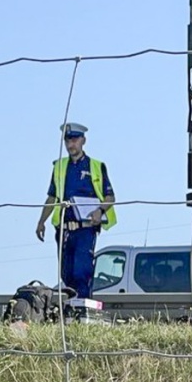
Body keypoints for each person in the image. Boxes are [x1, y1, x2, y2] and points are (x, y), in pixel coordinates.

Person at [35, 123, 117, 305]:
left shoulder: (96, 166)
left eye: (74, 140)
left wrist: (100, 210)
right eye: (67, 140)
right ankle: (70, 309)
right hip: (64, 230)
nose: (71, 144)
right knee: (66, 274)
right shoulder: (59, 167)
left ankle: (83, 309)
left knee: (82, 272)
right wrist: (41, 222)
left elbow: (110, 196)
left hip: (85, 229)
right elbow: (52, 197)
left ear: (83, 141)